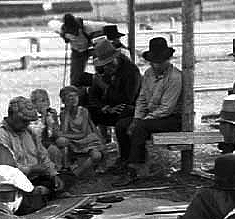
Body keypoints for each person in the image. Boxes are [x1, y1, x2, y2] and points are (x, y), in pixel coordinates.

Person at [113, 37, 182, 186]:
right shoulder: (149, 74)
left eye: (160, 61)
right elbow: (142, 99)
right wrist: (137, 118)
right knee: (122, 124)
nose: (157, 64)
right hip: (153, 116)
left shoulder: (175, 77)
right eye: (154, 61)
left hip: (172, 118)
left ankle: (134, 169)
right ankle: (125, 160)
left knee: (141, 127)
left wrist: (142, 121)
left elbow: (166, 108)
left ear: (167, 60)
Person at [0, 96, 65, 214]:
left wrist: (54, 175)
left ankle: (42, 192)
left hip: (36, 178)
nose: (27, 124)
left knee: (65, 178)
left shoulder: (29, 131)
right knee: (26, 204)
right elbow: (3, 171)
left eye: (28, 121)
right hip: (14, 185)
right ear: (11, 115)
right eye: (23, 121)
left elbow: (43, 155)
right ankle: (40, 194)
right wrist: (31, 169)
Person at [87, 38, 141, 137]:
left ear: (117, 58)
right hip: (109, 107)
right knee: (87, 111)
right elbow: (93, 96)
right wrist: (105, 108)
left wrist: (105, 87)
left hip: (128, 109)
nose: (107, 67)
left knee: (123, 116)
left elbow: (128, 98)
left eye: (110, 63)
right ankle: (94, 144)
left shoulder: (131, 71)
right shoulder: (104, 69)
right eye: (105, 64)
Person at [55, 85, 105, 177]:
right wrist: (67, 113)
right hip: (74, 141)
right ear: (64, 100)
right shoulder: (63, 114)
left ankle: (75, 174)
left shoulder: (83, 111)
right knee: (61, 141)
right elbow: (64, 131)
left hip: (88, 140)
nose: (73, 99)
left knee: (96, 155)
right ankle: (65, 167)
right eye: (70, 96)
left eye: (75, 96)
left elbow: (83, 133)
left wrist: (64, 134)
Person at [59, 13, 106, 86]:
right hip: (77, 51)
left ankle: (102, 83)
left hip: (92, 48)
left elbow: (98, 37)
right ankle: (75, 89)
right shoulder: (63, 30)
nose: (73, 34)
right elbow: (64, 37)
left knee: (100, 68)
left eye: (74, 32)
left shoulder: (87, 28)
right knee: (75, 75)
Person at [29, 88, 62, 168]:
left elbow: (54, 132)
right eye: (43, 100)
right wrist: (43, 117)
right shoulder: (31, 115)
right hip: (36, 142)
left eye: (47, 99)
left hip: (49, 140)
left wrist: (54, 121)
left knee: (63, 142)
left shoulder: (50, 114)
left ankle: (64, 167)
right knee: (53, 150)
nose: (47, 103)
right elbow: (37, 133)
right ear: (34, 104)